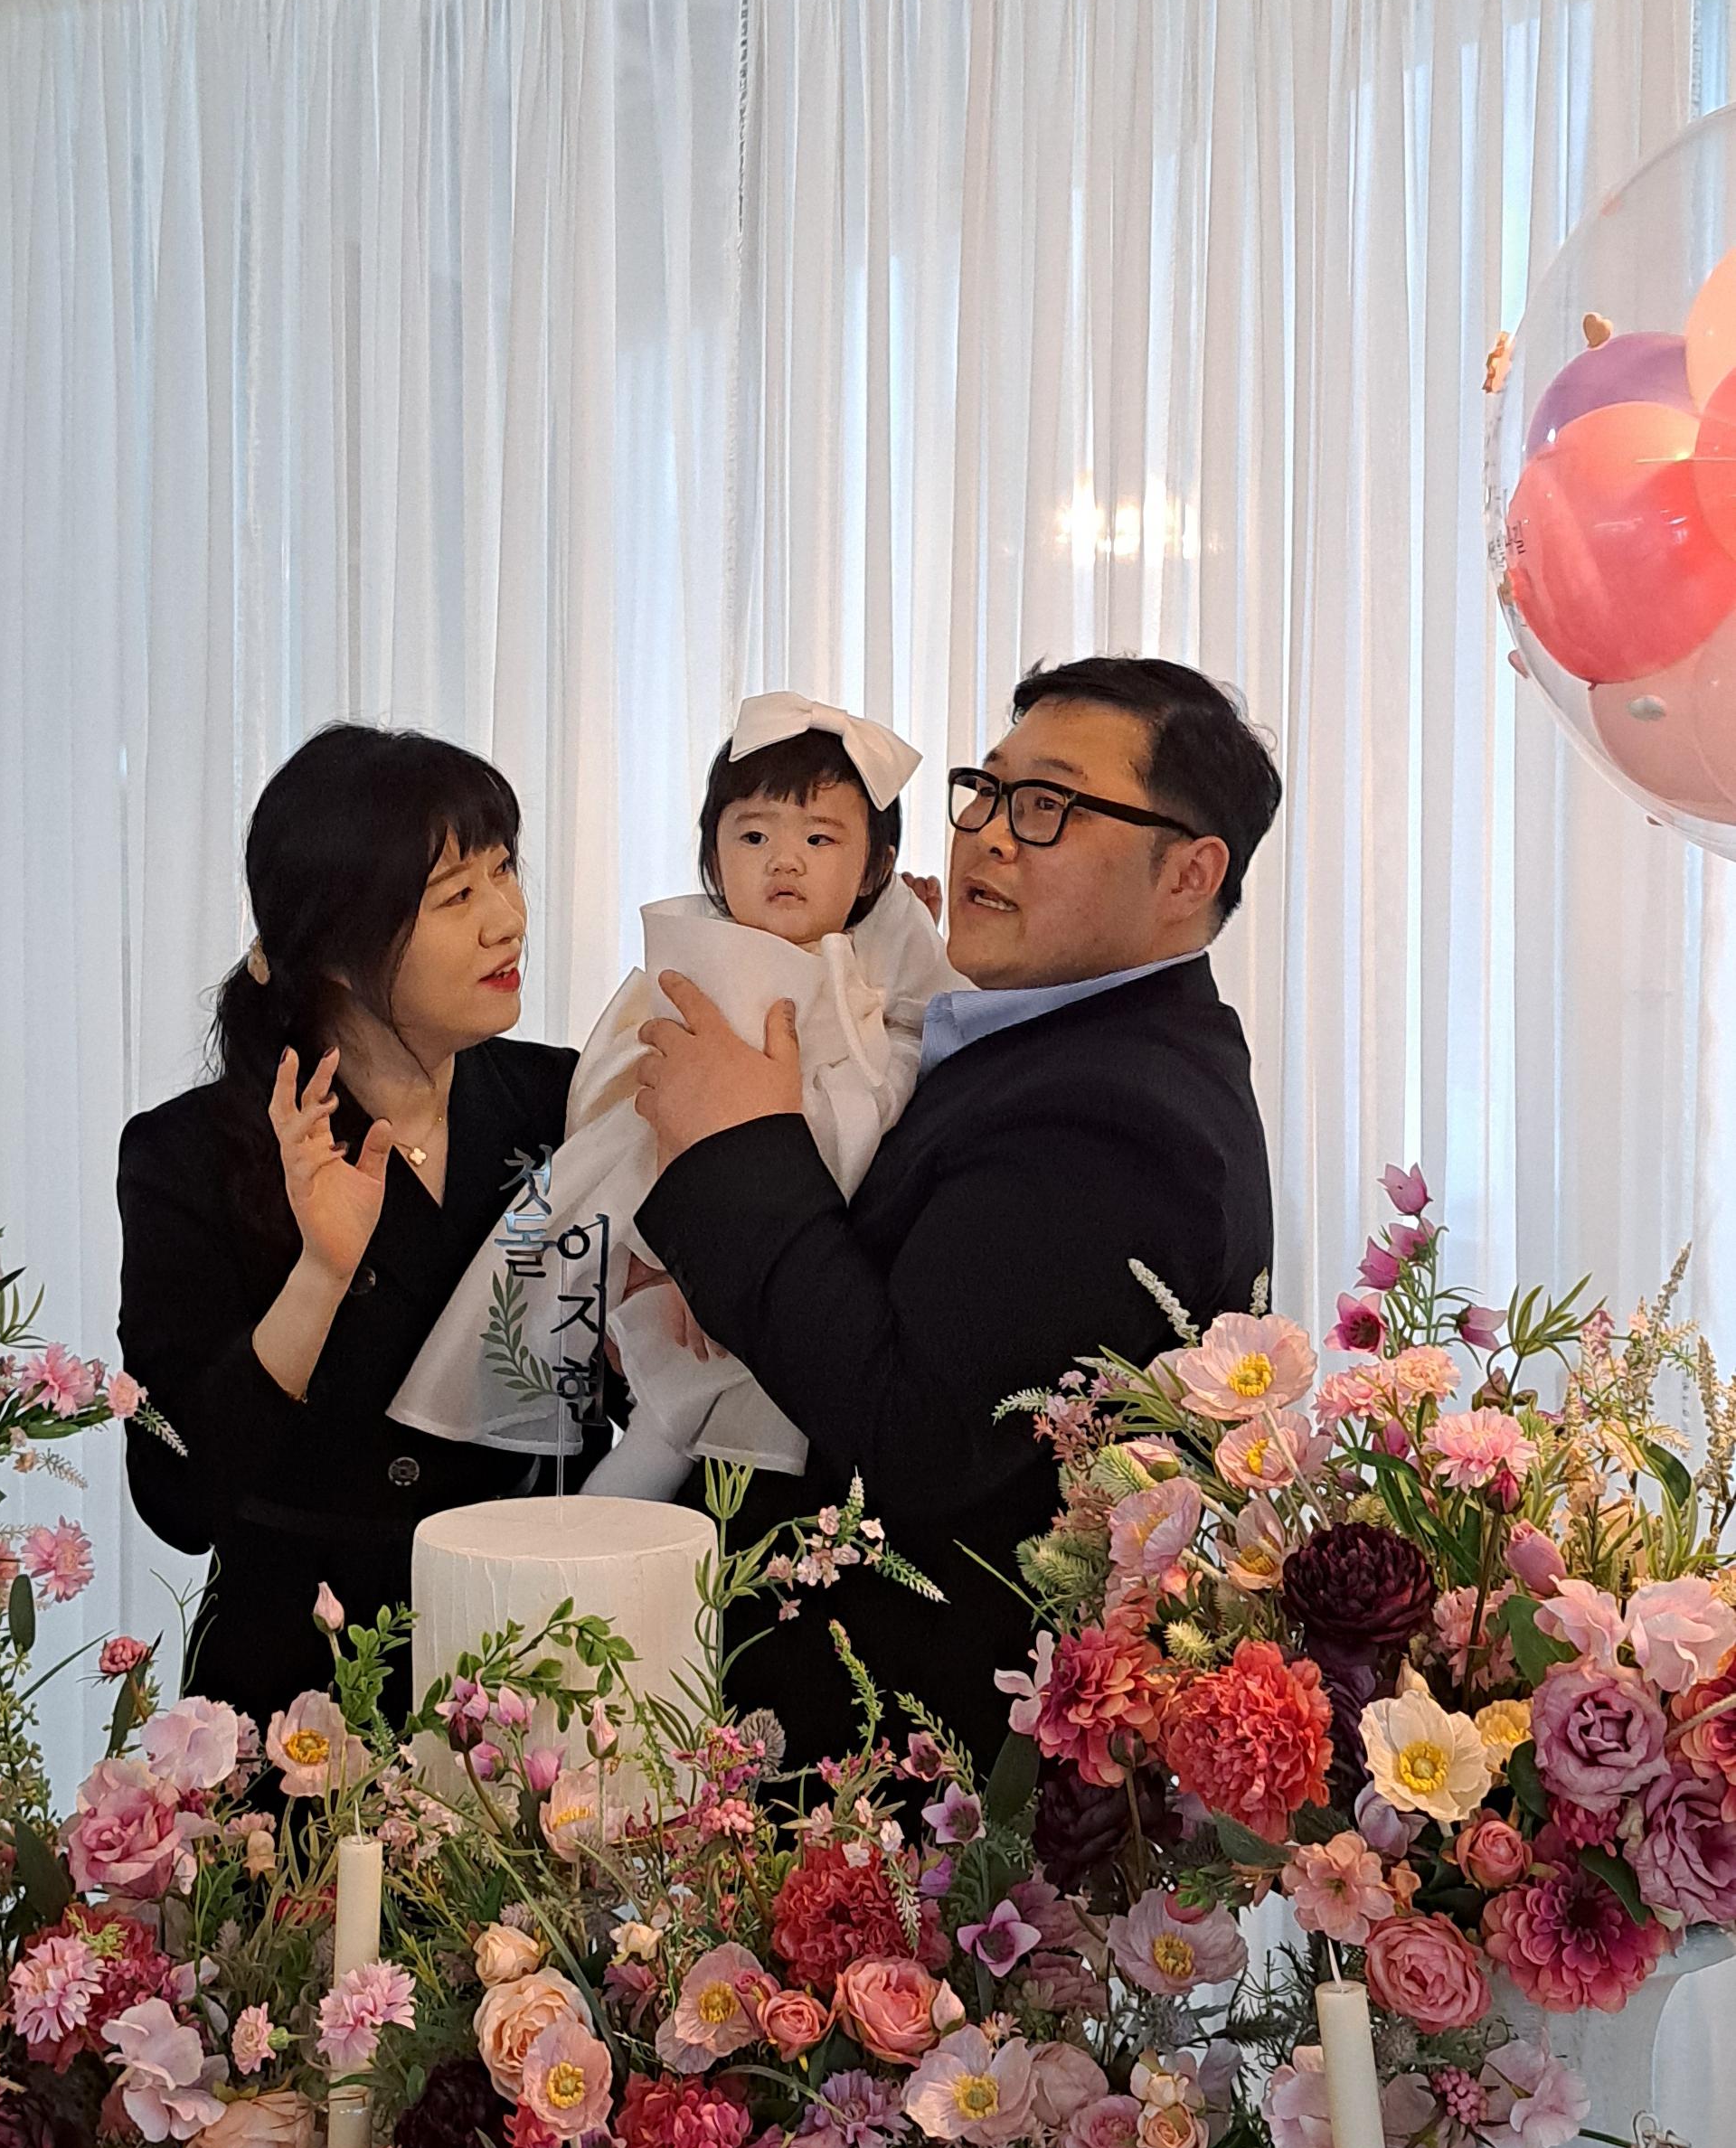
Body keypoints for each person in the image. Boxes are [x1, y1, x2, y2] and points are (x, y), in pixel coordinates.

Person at [633, 655, 1280, 1762]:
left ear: (1187, 872)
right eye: (985, 790)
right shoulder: (1042, 1040)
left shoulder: (1118, 1116)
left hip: (906, 1752)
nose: (986, 834)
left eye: (1047, 805)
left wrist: (733, 1149)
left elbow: (916, 1431)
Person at [117, 721, 586, 1729]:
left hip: (536, 1658)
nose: (508, 920)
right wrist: (321, 1273)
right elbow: (177, 1497)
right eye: (456, 896)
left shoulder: (564, 1103)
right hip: (300, 1683)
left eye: (505, 872)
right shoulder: (194, 1153)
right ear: (333, 948)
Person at [393, 692, 957, 1495]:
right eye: (753, 836)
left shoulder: (877, 946)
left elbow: (941, 1002)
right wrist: (694, 1254)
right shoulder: (711, 953)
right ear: (713, 862)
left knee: (755, 1399)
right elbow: (651, 1103)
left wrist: (915, 925)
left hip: (821, 1206)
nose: (784, 861)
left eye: (819, 839)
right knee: (673, 1404)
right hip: (685, 1190)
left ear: (873, 868)